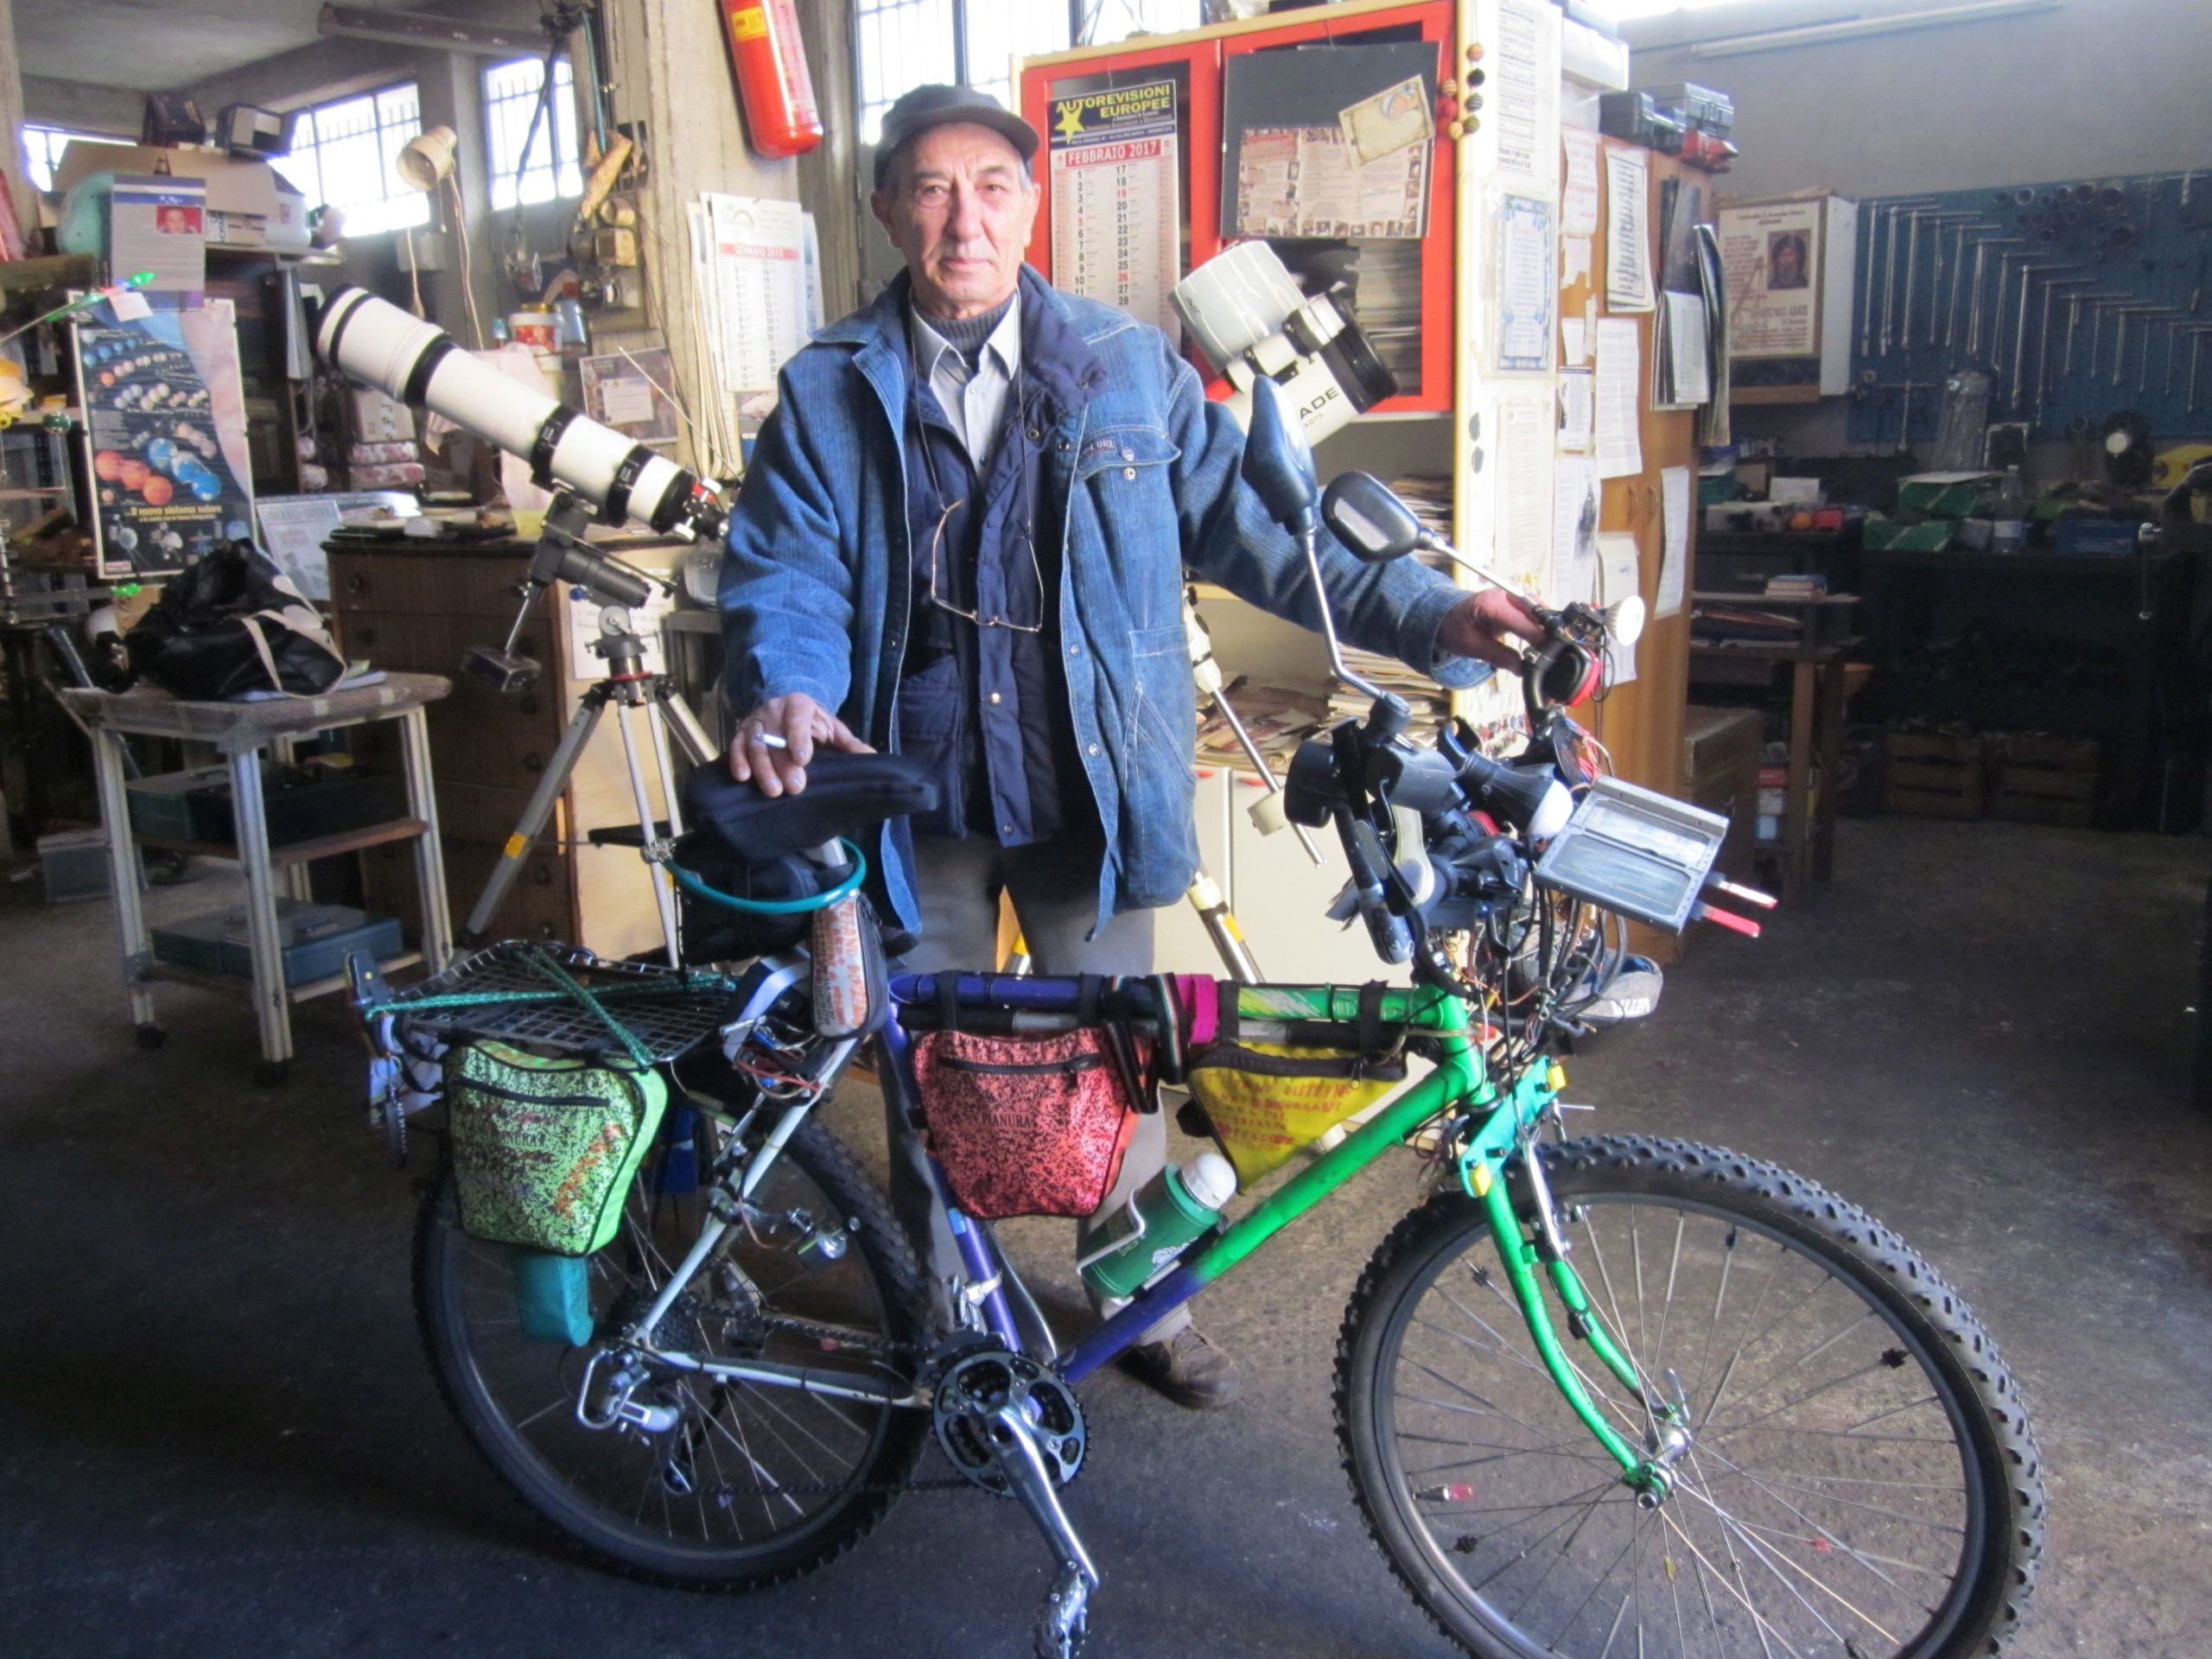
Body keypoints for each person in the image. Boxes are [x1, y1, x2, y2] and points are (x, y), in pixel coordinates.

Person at [718, 85, 1542, 1409]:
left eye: (991, 186)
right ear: (888, 209)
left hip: (1083, 790)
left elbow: (1273, 536)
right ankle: (942, 1309)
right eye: (931, 189)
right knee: (929, 1069)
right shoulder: (827, 392)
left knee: (1123, 1054)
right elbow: (786, 571)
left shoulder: (1124, 367)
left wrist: (1437, 610)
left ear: (1029, 202)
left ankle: (1138, 1294)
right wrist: (791, 690)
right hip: (913, 795)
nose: (963, 219)